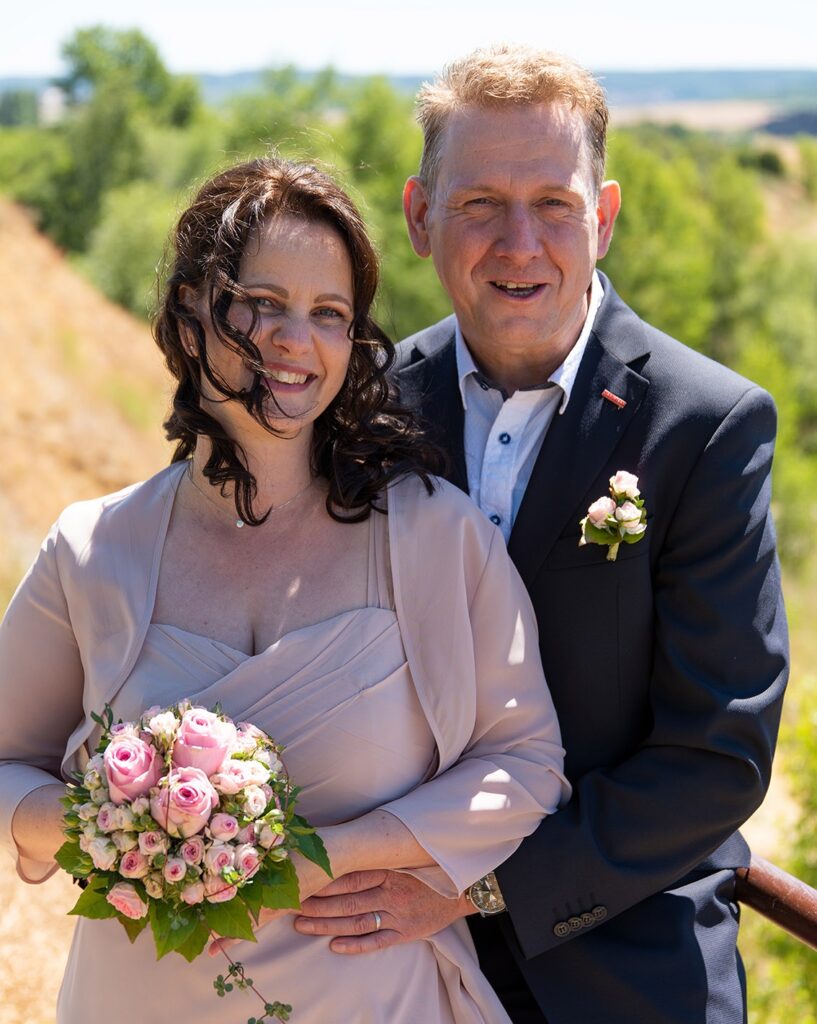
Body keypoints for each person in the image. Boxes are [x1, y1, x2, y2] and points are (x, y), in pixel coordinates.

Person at [0, 156, 571, 1024]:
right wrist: (123, 828)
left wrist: (326, 856)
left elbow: (523, 763)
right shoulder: (91, 548)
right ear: (189, 315)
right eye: (263, 303)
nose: (296, 340)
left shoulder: (434, 536)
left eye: (328, 314)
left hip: (374, 1000)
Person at [291, 45, 790, 1024]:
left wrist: (476, 888)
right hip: (375, 962)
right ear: (419, 216)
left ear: (602, 217)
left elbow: (716, 756)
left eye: (553, 204)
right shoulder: (357, 412)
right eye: (479, 203)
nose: (518, 243)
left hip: (625, 964)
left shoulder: (705, 425)